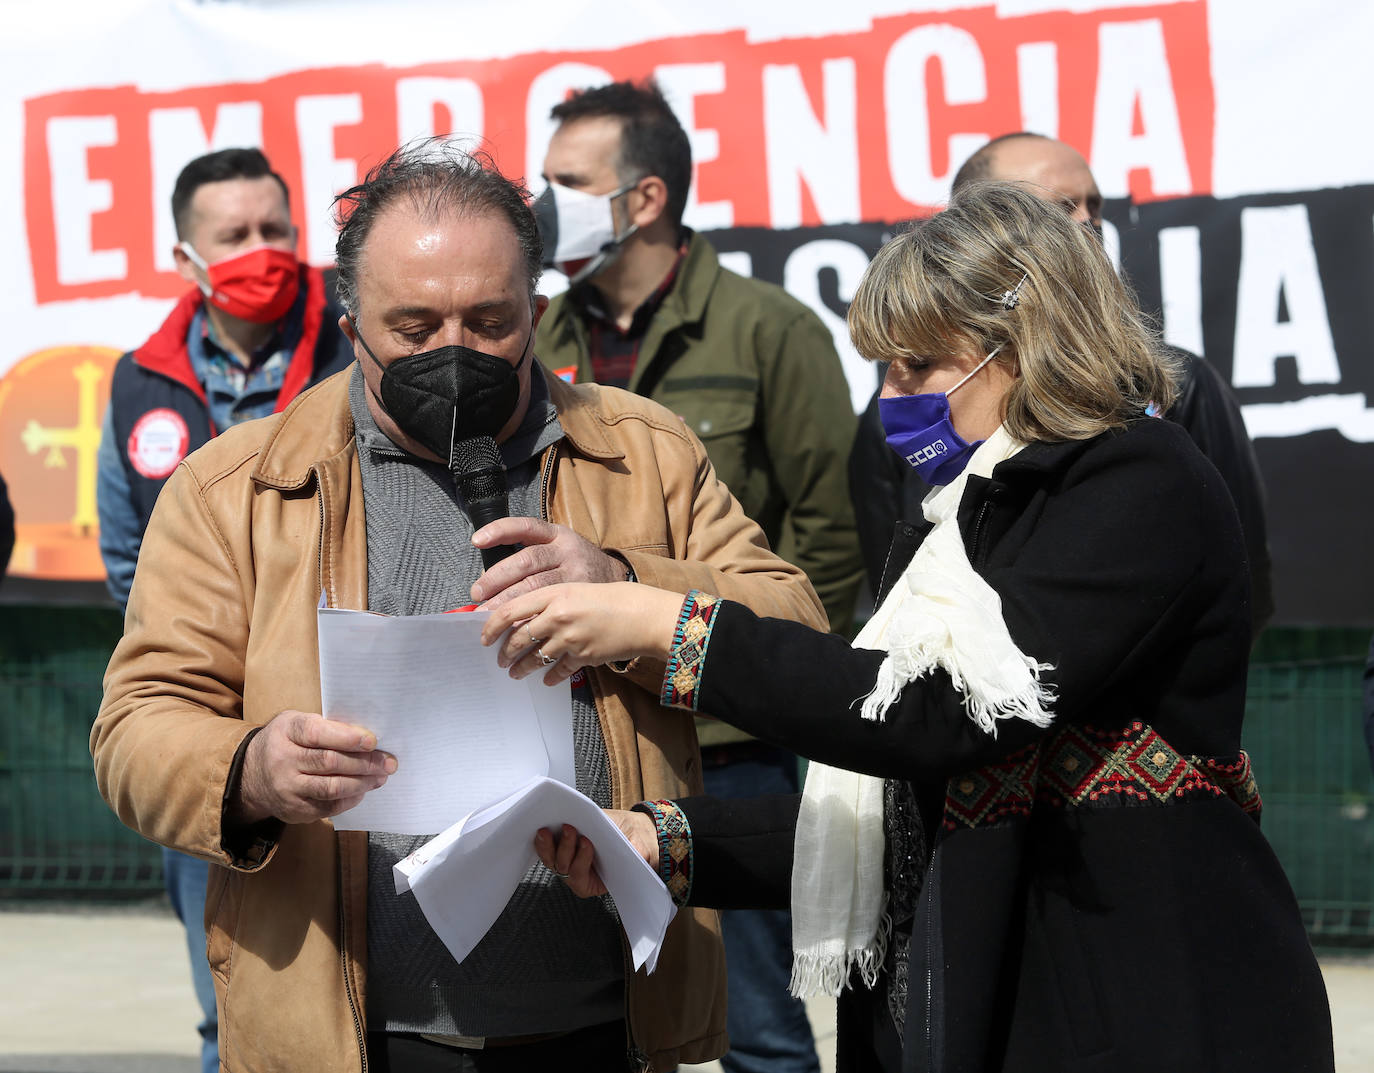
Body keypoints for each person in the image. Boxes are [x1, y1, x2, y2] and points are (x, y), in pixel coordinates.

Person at [482, 181, 1335, 1072]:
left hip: (1141, 1010)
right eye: (884, 368)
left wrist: (666, 625)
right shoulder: (952, 520)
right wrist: (669, 838)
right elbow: (891, 806)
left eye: (918, 364)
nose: (893, 396)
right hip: (983, 1001)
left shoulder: (1139, 481)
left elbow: (939, 718)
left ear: (1024, 344)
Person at [91, 141, 827, 1073]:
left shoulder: (644, 452)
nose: (454, 350)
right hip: (357, 1039)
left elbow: (793, 631)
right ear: (351, 321)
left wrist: (625, 586)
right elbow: (134, 730)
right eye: (413, 325)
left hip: (609, 1024)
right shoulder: (235, 487)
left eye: (489, 320)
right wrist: (250, 768)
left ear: (538, 309)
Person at [535, 79, 859, 1073]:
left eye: (568, 182)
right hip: (583, 734)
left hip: (729, 738)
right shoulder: (538, 336)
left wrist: (756, 675)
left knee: (758, 1026)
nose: (545, 205)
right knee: (605, 1013)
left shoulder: (769, 328)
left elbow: (830, 539)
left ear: (645, 198)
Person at [94, 146, 354, 1073]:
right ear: (187, 260)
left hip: (342, 725)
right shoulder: (140, 380)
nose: (261, 249)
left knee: (349, 997)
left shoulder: (353, 348)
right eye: (234, 235)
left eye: (275, 230)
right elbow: (127, 558)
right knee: (229, 1005)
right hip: (208, 745)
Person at [849, 132, 1275, 639]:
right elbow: (891, 591)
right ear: (969, 233)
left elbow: (1237, 583)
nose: (1087, 223)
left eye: (1094, 205)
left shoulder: (1175, 388)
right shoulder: (906, 411)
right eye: (1060, 207)